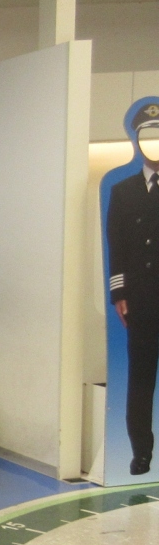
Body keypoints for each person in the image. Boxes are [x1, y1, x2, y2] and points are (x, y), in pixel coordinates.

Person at [108, 101, 159, 476]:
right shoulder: (123, 191)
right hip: (141, 301)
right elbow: (118, 247)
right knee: (140, 381)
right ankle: (142, 452)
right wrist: (119, 294)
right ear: (137, 141)